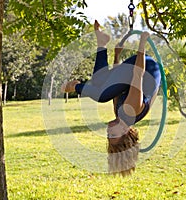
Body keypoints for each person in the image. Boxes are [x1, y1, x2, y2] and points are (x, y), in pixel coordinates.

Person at [61, 20, 161, 176]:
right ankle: (75, 87)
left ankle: (102, 42)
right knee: (101, 95)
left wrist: (116, 56)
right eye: (113, 134)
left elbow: (113, 85)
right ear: (126, 131)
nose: (108, 131)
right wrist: (142, 43)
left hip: (133, 70)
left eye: (108, 136)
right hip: (145, 66)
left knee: (100, 83)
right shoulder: (130, 110)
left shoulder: (120, 115)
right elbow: (138, 74)